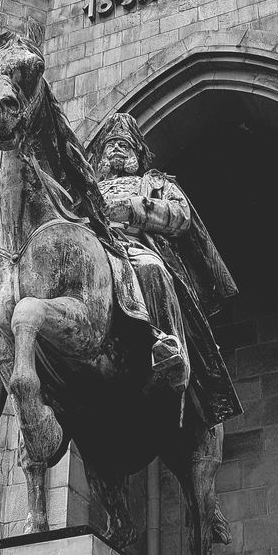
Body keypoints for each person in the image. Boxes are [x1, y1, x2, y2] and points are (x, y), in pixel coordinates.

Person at [87, 113, 241, 427]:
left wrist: (132, 209)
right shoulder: (87, 189)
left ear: (135, 154)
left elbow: (181, 215)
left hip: (136, 247)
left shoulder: (155, 182)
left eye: (123, 144)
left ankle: (165, 343)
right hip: (89, 251)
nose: (116, 149)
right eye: (110, 145)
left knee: (151, 268)